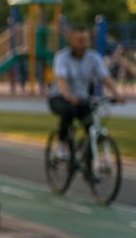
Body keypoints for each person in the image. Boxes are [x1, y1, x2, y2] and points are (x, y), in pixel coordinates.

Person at [48, 26, 124, 158]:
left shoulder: (93, 57)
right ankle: (61, 144)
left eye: (85, 40)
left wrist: (117, 94)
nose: (83, 44)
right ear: (71, 41)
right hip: (59, 97)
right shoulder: (62, 57)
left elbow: (105, 77)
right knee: (68, 112)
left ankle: (88, 164)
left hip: (82, 99)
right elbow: (61, 80)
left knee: (91, 126)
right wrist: (68, 95)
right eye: (80, 40)